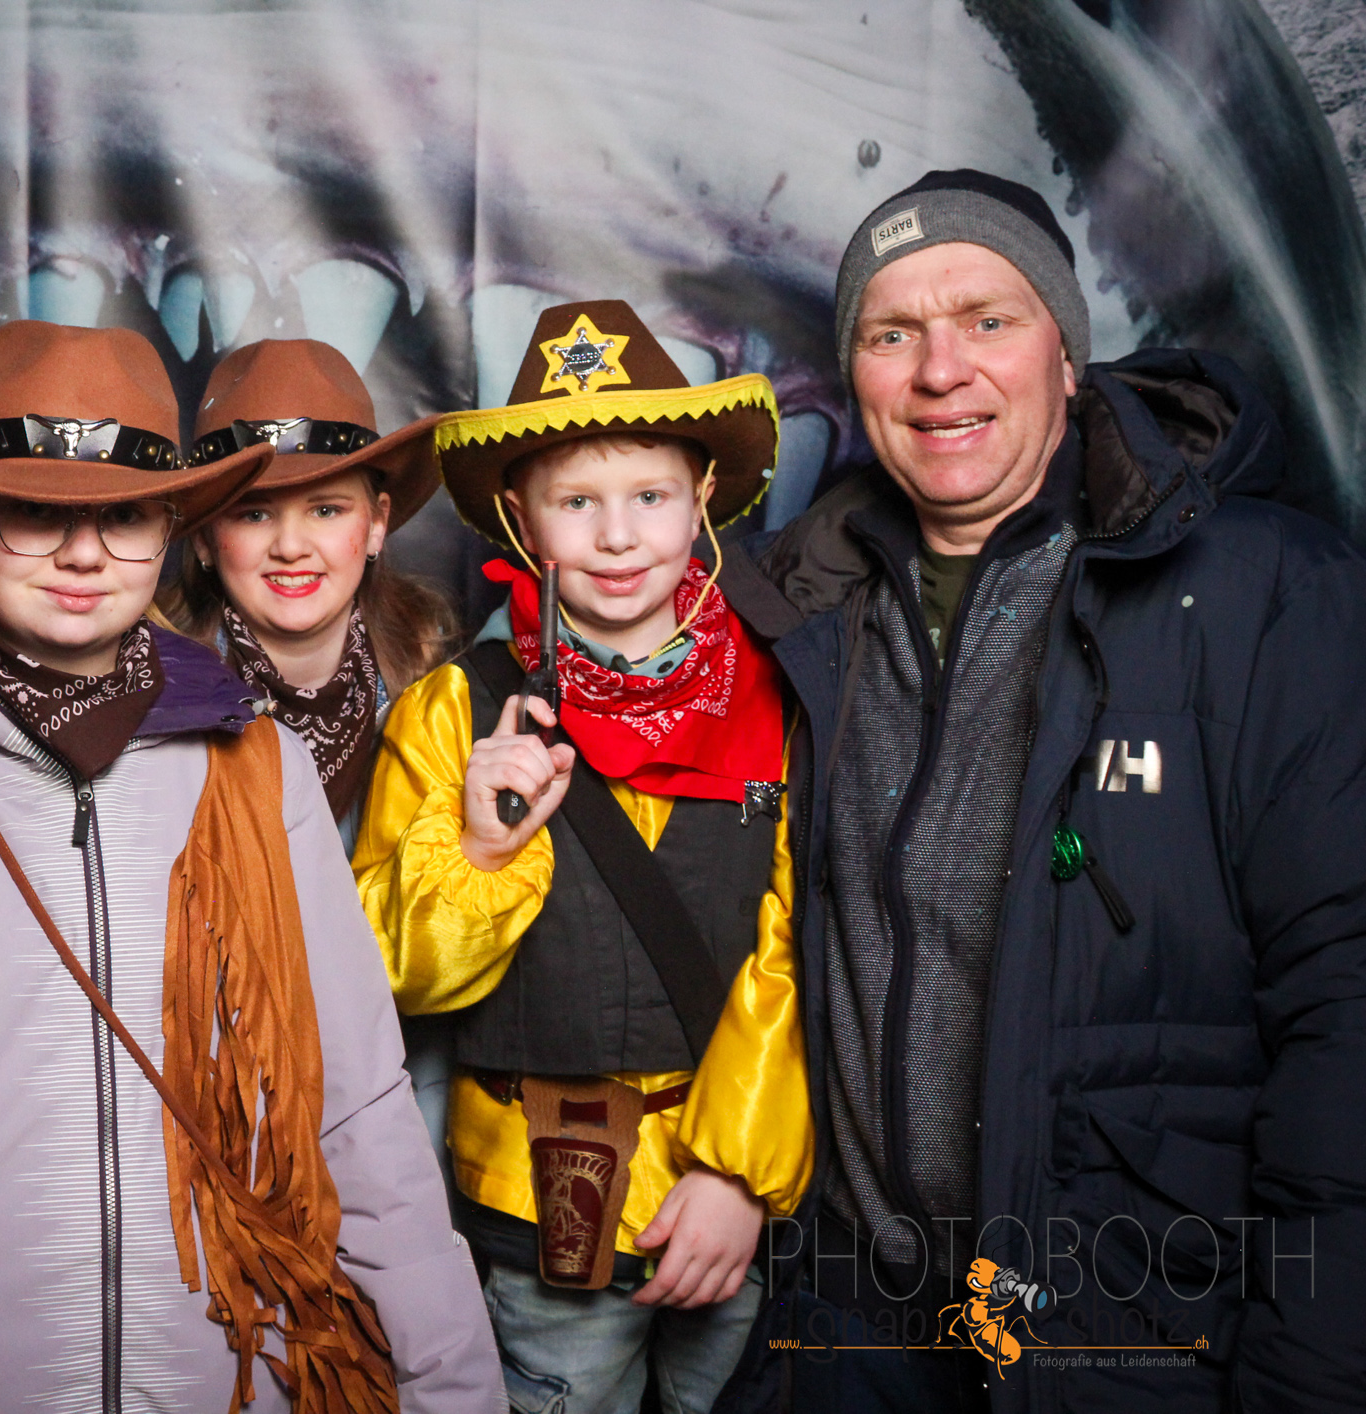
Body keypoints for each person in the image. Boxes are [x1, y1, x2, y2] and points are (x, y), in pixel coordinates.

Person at [0, 319, 503, 1413]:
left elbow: (358, 1110)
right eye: (36, 512)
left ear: (169, 528)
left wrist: (456, 1393)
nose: (83, 554)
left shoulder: (262, 767)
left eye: (122, 515)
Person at [720, 169, 1366, 1412]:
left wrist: (1312, 1379)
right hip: (853, 1331)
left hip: (1128, 1344)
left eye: (988, 320)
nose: (940, 370)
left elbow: (1345, 1011)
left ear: (1067, 356)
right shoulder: (805, 611)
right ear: (854, 376)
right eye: (892, 333)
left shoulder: (1267, 597)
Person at [353, 300, 813, 1414]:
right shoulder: (448, 714)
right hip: (537, 1199)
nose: (616, 537)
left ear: (702, 496)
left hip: (728, 1205)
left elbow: (808, 945)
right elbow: (387, 974)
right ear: (521, 519)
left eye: (649, 496)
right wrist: (479, 847)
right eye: (577, 503)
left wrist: (738, 1172)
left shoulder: (784, 696)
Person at [159, 338, 460, 846]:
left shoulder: (441, 689)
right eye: (255, 514)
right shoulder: (151, 696)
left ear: (377, 524)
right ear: (205, 539)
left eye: (325, 510)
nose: (291, 547)